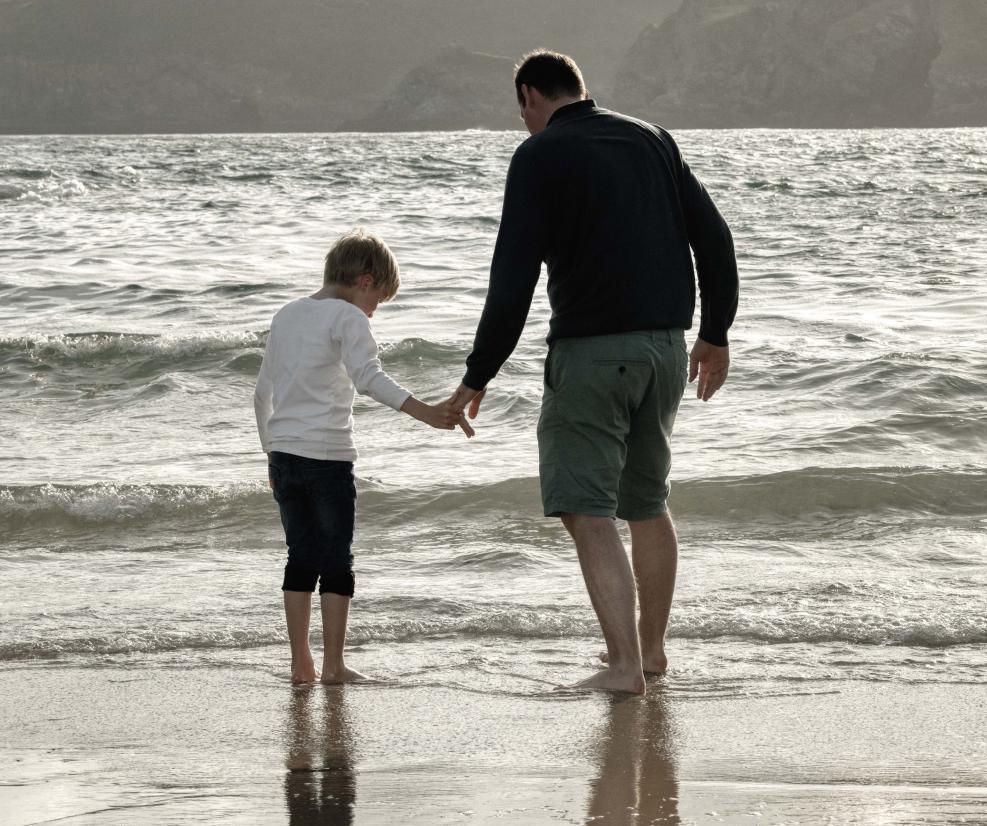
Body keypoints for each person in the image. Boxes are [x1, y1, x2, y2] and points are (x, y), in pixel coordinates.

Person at [443, 50, 739, 694]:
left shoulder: (540, 154)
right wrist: (716, 333)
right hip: (666, 348)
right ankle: (653, 655)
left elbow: (513, 275)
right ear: (580, 89)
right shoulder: (652, 138)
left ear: (529, 96)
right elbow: (715, 238)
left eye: (522, 111)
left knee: (587, 508)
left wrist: (478, 371)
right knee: (647, 502)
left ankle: (624, 667)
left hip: (592, 354)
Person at [256, 229, 472, 685]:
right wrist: (428, 414)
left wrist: (270, 454)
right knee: (336, 561)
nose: (374, 311)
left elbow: (263, 394)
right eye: (378, 300)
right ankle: (334, 666)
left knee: (299, 557)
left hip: (285, 457)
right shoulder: (349, 317)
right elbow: (369, 378)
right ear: (366, 281)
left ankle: (301, 664)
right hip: (328, 456)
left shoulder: (286, 314)